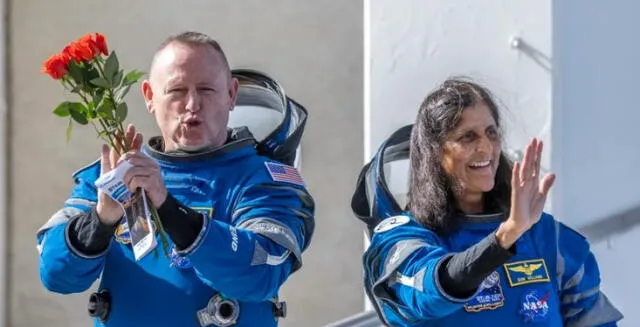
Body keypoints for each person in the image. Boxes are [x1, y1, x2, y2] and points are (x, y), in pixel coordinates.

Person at [36, 31, 315, 327]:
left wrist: (168, 207)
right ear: (149, 96)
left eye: (206, 89)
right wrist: (101, 219)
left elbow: (259, 274)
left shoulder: (265, 181)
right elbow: (55, 274)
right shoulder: (112, 171)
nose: (192, 104)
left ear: (232, 94)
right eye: (176, 91)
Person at [353, 79, 623, 326]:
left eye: (491, 133)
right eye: (467, 137)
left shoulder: (545, 236)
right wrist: (505, 237)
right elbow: (432, 292)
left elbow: (596, 320)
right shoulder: (401, 240)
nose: (486, 148)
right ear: (434, 153)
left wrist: (514, 231)